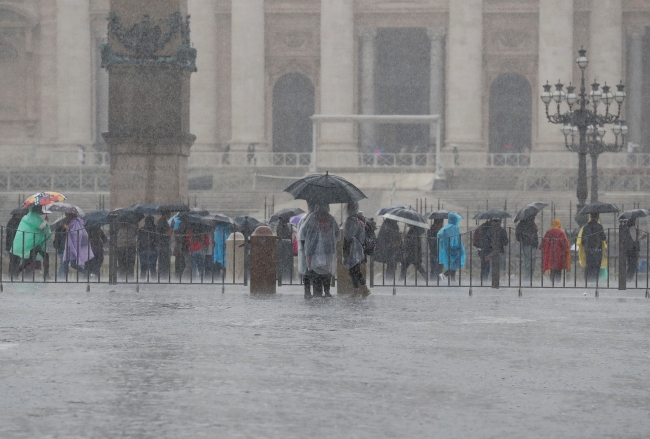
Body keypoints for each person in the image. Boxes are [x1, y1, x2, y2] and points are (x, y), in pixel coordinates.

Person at [301, 203, 340, 298]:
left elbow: (303, 232)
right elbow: (337, 233)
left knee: (314, 270)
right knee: (327, 270)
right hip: (328, 249)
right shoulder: (331, 218)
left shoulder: (311, 218)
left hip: (313, 249)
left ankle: (317, 291)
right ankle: (326, 291)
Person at [13, 206, 52, 279]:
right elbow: (40, 227)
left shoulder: (32, 216)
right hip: (33, 242)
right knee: (43, 256)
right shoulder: (32, 217)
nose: (41, 210)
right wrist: (46, 221)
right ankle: (46, 275)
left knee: (30, 259)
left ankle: (17, 272)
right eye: (40, 208)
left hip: (34, 242)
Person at [343, 203, 370, 298]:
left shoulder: (351, 220)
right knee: (356, 270)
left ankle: (357, 290)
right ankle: (364, 289)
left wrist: (346, 249)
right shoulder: (359, 220)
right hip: (358, 247)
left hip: (352, 248)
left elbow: (348, 236)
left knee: (353, 270)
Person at [61, 212, 93, 278]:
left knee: (71, 263)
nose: (65, 215)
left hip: (73, 246)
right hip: (70, 245)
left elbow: (78, 233)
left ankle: (87, 273)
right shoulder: (72, 222)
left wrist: (68, 228)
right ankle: (65, 277)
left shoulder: (75, 222)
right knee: (65, 262)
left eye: (66, 214)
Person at [577, 213, 607, 283]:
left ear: (590, 217)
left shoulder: (586, 227)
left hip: (588, 250)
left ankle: (588, 281)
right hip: (597, 250)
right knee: (596, 267)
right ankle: (595, 281)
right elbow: (604, 238)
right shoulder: (599, 226)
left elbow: (583, 239)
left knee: (589, 267)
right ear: (597, 217)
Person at [437, 212, 466, 281]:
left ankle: (452, 280)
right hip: (455, 249)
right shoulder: (454, 227)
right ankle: (445, 275)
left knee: (452, 265)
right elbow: (456, 239)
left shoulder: (446, 228)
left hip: (447, 249)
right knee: (455, 265)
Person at [540, 219, 570, 284]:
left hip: (550, 254)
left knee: (552, 269)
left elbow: (543, 244)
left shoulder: (549, 232)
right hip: (559, 254)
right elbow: (565, 244)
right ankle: (558, 283)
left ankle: (552, 283)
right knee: (558, 269)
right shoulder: (561, 232)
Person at [296, 205, 314, 299]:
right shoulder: (305, 220)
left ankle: (312, 292)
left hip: (311, 249)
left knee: (312, 272)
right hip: (308, 249)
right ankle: (308, 292)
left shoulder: (308, 219)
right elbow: (301, 236)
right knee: (308, 272)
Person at [515, 216, 539, 282]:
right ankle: (529, 277)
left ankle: (527, 277)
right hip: (533, 244)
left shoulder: (520, 224)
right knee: (532, 262)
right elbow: (535, 236)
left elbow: (517, 236)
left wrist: (522, 239)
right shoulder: (532, 224)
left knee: (527, 261)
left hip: (526, 244)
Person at [6, 209, 25, 278]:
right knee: (13, 261)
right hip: (13, 245)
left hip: (16, 245)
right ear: (17, 215)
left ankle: (14, 275)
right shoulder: (14, 222)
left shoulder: (15, 221)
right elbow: (13, 232)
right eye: (21, 215)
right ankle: (12, 275)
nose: (22, 216)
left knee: (16, 261)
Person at [138, 215, 158, 279]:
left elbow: (139, 240)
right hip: (153, 249)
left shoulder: (141, 230)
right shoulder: (155, 229)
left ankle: (142, 281)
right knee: (153, 268)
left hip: (143, 250)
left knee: (143, 269)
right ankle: (154, 282)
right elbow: (157, 240)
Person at [156, 211, 173, 279]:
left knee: (162, 263)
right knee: (165, 263)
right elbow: (168, 233)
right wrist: (172, 226)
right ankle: (164, 277)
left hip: (161, 245)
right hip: (164, 245)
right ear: (165, 214)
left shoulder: (160, 222)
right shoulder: (163, 222)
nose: (170, 215)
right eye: (169, 213)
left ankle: (162, 276)